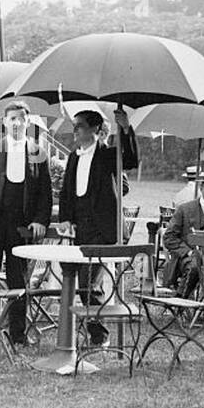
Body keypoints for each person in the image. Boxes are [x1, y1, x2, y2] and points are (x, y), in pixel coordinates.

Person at [0, 102, 54, 347]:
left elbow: (45, 195)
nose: (17, 123)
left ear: (28, 123)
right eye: (12, 118)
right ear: (4, 122)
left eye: (21, 119)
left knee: (19, 282)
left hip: (21, 227)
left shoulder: (37, 152)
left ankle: (17, 334)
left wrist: (39, 220)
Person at [58, 107, 139, 346]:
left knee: (89, 283)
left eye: (79, 126)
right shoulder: (74, 156)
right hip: (81, 227)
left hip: (104, 229)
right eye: (74, 126)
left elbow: (131, 160)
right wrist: (65, 218)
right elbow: (66, 192)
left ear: (95, 129)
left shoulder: (107, 155)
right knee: (78, 281)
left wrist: (124, 128)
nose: (74, 131)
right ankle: (95, 332)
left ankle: (99, 335)